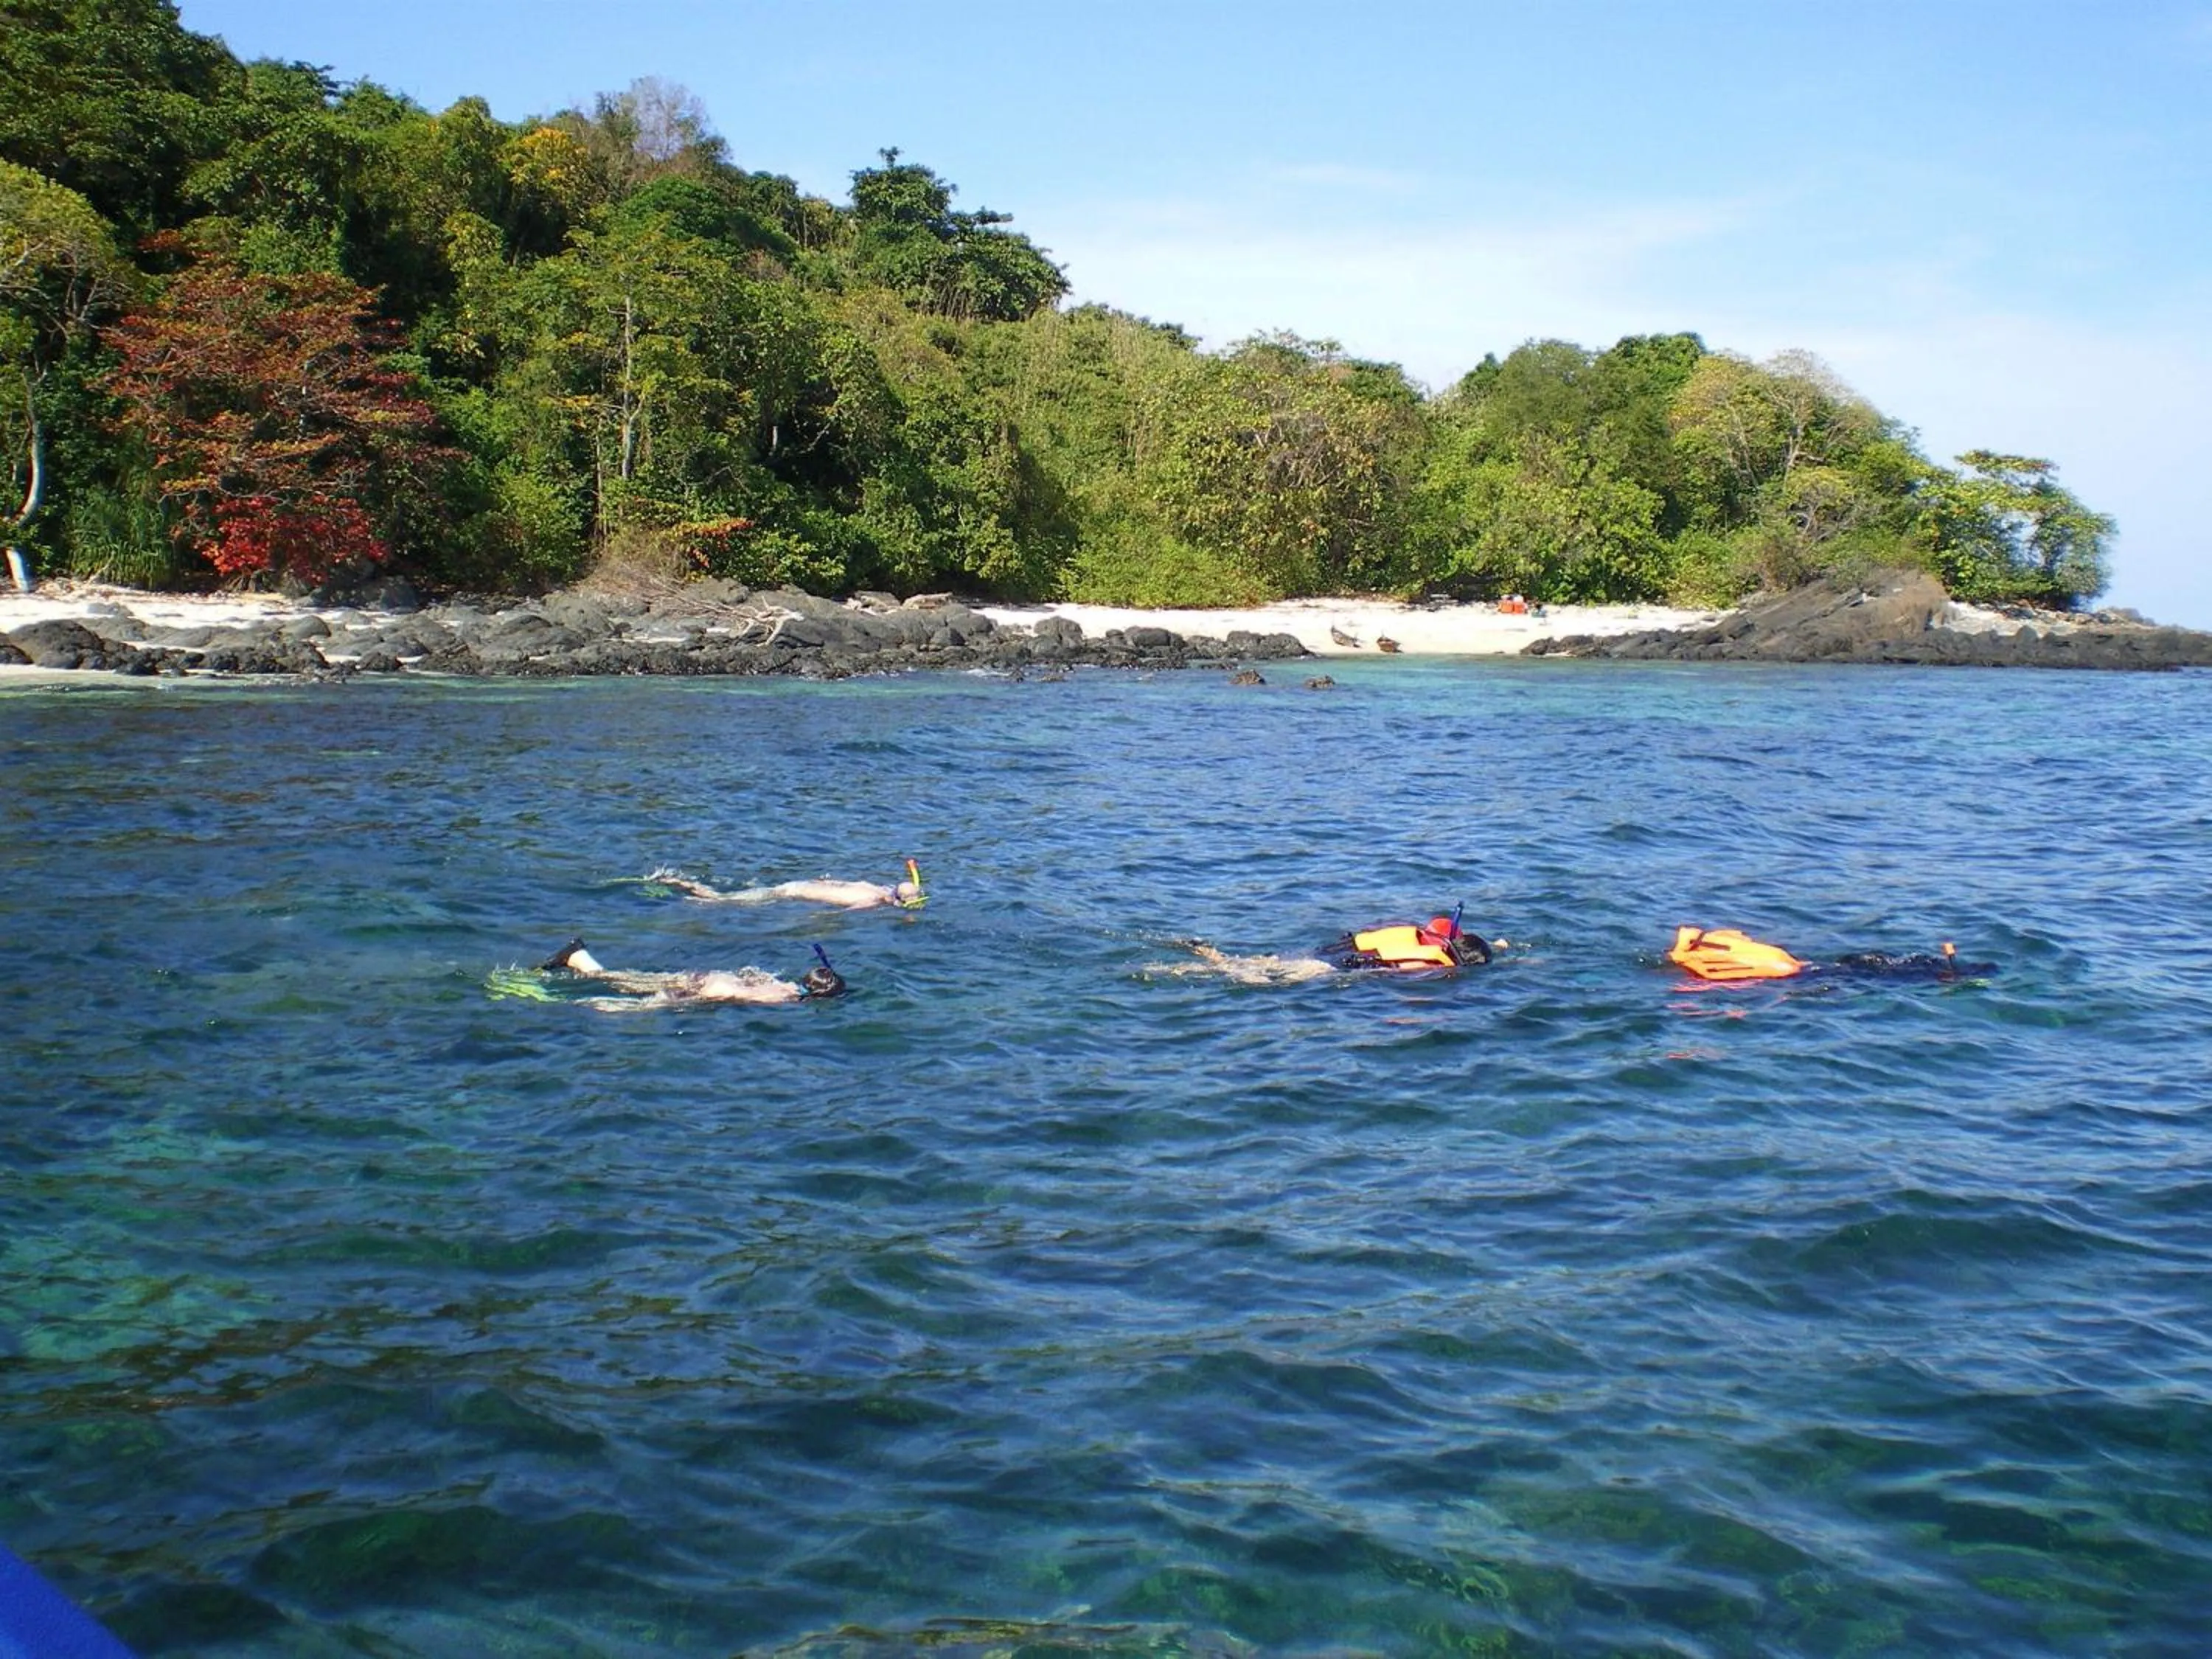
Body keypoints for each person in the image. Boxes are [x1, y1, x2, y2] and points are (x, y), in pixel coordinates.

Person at [1162, 909, 1499, 986]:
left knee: (1268, 963)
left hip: (1338, 947)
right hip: (1350, 964)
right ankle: (1196, 968)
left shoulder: (1430, 937)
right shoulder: (1439, 963)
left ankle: (1212, 956)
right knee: (1268, 979)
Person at [502, 939, 847, 1009]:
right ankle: (571, 971)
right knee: (619, 1001)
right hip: (707, 992)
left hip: (706, 976)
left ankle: (577, 958)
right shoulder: (786, 999)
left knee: (623, 980)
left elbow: (749, 977)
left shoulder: (784, 983)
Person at [1667, 925, 1993, 984]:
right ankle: (1952, 973)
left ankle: (1951, 973)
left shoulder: (1708, 958)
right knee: (1888, 969)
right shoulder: (1710, 957)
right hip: (1810, 971)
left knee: (1886, 970)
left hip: (1808, 972)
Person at [641, 857, 926, 911]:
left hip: (799, 885)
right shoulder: (872, 902)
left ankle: (685, 889)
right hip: (790, 892)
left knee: (728, 897)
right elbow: (841, 914)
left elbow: (838, 883)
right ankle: (678, 884)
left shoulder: (871, 886)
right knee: (720, 901)